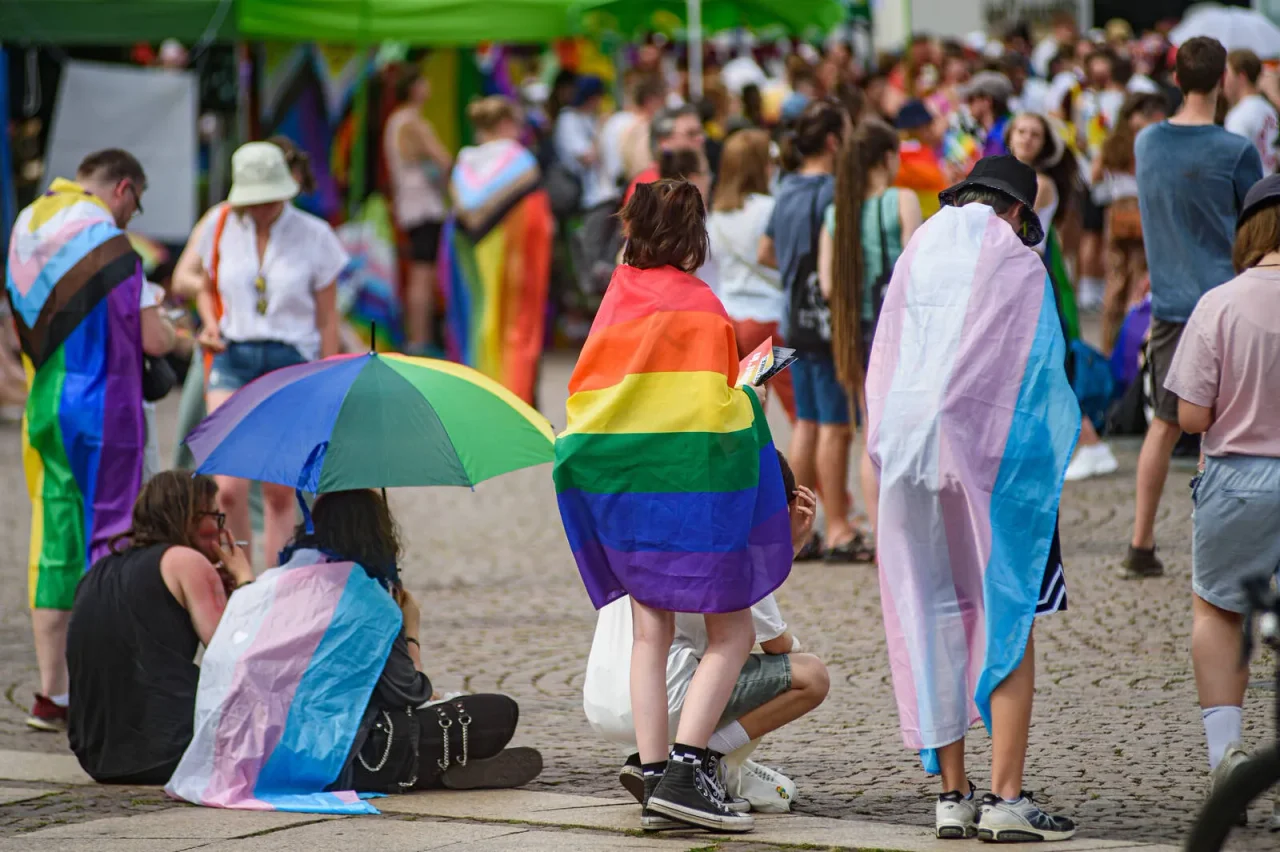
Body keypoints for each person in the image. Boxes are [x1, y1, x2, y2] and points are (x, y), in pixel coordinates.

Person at [554, 179, 793, 833]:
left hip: (628, 492)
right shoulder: (702, 307)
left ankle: (655, 773)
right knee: (734, 631)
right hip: (692, 495)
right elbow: (719, 410)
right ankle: (690, 768)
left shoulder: (617, 300)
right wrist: (751, 389)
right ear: (693, 236)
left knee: (650, 633)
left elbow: (588, 395)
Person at [866, 155, 1078, 841]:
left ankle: (953, 795)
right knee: (1008, 603)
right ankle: (1006, 797)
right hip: (987, 457)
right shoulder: (1016, 261)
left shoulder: (921, 246)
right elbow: (1040, 370)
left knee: (935, 609)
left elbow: (888, 350)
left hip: (907, 450)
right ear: (1018, 211)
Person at [166, 489, 542, 807]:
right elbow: (408, 692)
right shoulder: (370, 601)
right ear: (378, 534)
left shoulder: (274, 582)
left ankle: (444, 768)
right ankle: (435, 770)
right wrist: (409, 627)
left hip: (246, 756)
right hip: (339, 756)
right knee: (498, 712)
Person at [6, 148, 174, 732]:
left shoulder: (27, 223)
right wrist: (174, 329)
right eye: (136, 203)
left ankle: (53, 692)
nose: (131, 215)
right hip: (105, 408)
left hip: (45, 404)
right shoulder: (107, 237)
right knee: (111, 540)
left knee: (53, 542)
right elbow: (150, 339)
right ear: (123, 188)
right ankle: (111, 693)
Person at [586, 455, 829, 816]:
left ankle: (656, 766)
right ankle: (695, 765)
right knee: (810, 675)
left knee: (673, 645)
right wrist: (786, 549)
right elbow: (776, 643)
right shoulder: (727, 545)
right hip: (668, 700)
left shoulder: (650, 523)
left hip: (604, 700)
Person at [1126, 36, 1262, 579]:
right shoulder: (1235, 152)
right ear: (1224, 79)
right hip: (1227, 302)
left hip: (1172, 303)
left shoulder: (1146, 144)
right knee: (1229, 430)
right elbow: (1256, 225)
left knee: (1163, 424)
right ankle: (1231, 549)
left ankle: (1140, 542)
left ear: (1176, 80)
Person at [1165, 173, 1280, 801]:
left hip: (1237, 480)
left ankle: (1226, 753)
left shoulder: (1220, 303)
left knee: (1217, 607)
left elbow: (1191, 418)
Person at [195, 142, 348, 569]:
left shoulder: (315, 234)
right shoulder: (221, 224)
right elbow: (204, 282)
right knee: (226, 487)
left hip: (292, 361)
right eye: (253, 199)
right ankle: (243, 581)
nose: (261, 207)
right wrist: (209, 320)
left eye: (270, 198)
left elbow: (327, 319)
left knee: (280, 490)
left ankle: (276, 585)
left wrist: (327, 380)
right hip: (233, 355)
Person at [66, 472, 252, 782]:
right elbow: (236, 653)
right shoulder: (186, 561)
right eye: (215, 517)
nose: (221, 530)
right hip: (169, 748)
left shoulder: (100, 568)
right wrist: (245, 581)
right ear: (189, 516)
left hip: (96, 753)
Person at [170, 135, 317, 471]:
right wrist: (230, 288)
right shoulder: (221, 219)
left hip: (282, 349)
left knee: (280, 455)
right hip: (223, 342)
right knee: (198, 444)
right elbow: (183, 278)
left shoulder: (304, 229)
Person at [758, 99, 858, 562]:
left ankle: (794, 524)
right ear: (835, 141)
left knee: (808, 422)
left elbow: (765, 251)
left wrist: (796, 274)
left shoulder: (787, 189)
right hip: (828, 318)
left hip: (793, 314)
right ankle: (837, 527)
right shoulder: (836, 191)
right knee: (836, 426)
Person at [820, 119, 922, 538]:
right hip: (901, 329)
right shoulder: (902, 199)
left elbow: (828, 285)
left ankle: (884, 538)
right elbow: (918, 267)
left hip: (857, 333)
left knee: (870, 432)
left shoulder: (836, 212)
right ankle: (909, 531)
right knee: (908, 429)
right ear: (887, 158)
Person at [441, 96, 553, 405]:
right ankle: (514, 399)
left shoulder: (464, 163)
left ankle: (478, 394)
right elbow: (536, 219)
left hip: (474, 264)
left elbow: (464, 216)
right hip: (513, 265)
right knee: (515, 327)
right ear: (505, 124)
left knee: (478, 321)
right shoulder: (520, 161)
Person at [707, 128, 795, 421]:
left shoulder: (716, 214)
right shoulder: (770, 208)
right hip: (770, 320)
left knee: (748, 413)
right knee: (800, 412)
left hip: (731, 319)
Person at [384, 68, 453, 357]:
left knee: (418, 272)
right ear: (414, 87)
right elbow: (444, 159)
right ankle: (420, 339)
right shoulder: (412, 121)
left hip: (410, 204)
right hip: (424, 204)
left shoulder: (394, 121)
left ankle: (418, 336)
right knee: (423, 274)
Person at [1075, 49, 1128, 312]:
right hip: (1104, 172)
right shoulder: (1114, 100)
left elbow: (1079, 137)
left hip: (1090, 170)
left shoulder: (1083, 100)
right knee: (1101, 231)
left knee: (1092, 231)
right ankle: (1100, 287)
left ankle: (1089, 289)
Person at [554, 75, 616, 216]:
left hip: (603, 194)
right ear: (592, 97)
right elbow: (587, 158)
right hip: (586, 197)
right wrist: (601, 129)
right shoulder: (568, 119)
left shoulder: (590, 118)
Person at [623, 104, 706, 203]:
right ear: (664, 142)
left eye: (701, 132)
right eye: (691, 134)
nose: (701, 139)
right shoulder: (648, 187)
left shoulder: (701, 175)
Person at [1224, 49, 1279, 175]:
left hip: (1252, 188)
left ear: (1241, 76)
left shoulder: (1240, 115)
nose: (1224, 81)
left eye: (1228, 73)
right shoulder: (1268, 107)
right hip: (1272, 183)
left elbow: (1234, 160)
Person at [893, 100, 950, 220]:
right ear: (918, 129)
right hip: (928, 221)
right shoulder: (918, 153)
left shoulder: (894, 154)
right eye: (928, 125)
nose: (931, 130)